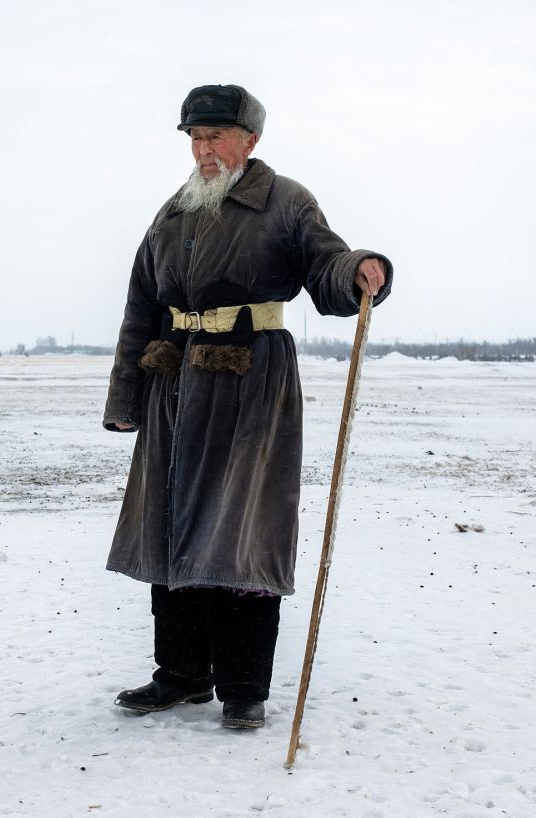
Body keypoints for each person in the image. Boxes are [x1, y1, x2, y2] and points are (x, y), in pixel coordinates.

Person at [103, 84, 392, 729]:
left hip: (251, 385)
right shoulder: (172, 212)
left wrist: (358, 270)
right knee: (172, 526)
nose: (203, 151)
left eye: (215, 138)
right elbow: (140, 308)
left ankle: (242, 688)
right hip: (174, 387)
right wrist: (126, 397)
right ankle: (180, 675)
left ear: (249, 140)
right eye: (195, 139)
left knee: (241, 535)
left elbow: (326, 264)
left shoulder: (284, 201)